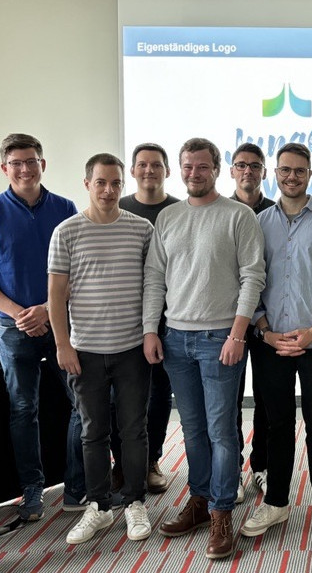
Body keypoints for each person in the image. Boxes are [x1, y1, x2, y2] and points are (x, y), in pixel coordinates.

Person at [144, 138, 265, 560]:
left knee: (221, 431)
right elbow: (155, 279)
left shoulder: (239, 217)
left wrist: (237, 335)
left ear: (218, 169)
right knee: (192, 429)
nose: (194, 174)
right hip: (175, 338)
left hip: (220, 339)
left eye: (202, 167)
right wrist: (150, 331)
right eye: (187, 167)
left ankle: (221, 510)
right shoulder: (169, 218)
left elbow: (253, 277)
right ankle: (199, 500)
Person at [0, 133, 85, 520]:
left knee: (80, 402)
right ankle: (32, 492)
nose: (24, 168)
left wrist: (45, 310)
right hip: (11, 328)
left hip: (59, 326)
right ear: (5, 168)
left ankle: (76, 487)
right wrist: (22, 313)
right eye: (16, 163)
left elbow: (76, 272)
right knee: (23, 409)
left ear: (43, 165)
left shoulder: (66, 208)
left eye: (31, 160)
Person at [240, 143, 312, 543]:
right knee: (278, 425)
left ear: (309, 174)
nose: (292, 177)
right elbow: (250, 279)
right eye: (285, 170)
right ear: (275, 173)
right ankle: (277, 503)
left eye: (299, 171)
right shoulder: (258, 222)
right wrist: (265, 330)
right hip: (271, 342)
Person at [49, 153, 154, 545]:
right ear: (87, 184)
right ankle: (99, 506)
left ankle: (134, 502)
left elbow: (151, 288)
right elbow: (55, 295)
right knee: (93, 433)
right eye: (100, 183)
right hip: (85, 351)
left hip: (130, 350)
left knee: (133, 430)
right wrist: (63, 344)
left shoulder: (141, 229)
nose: (108, 190)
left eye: (115, 183)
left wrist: (148, 334)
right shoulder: (66, 232)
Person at [111, 142, 179, 495]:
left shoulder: (180, 210)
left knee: (158, 393)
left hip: (168, 319)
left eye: (156, 165)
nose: (149, 170)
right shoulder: (117, 208)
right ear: (132, 172)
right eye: (142, 165)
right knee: (118, 395)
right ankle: (121, 462)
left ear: (167, 171)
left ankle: (151, 459)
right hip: (121, 317)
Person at [229, 142, 274, 498]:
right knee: (227, 400)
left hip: (266, 325)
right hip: (225, 324)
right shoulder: (220, 210)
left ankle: (261, 466)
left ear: (263, 172)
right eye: (241, 165)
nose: (248, 171)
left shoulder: (275, 212)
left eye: (254, 166)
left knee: (265, 398)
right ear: (232, 171)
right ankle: (231, 469)